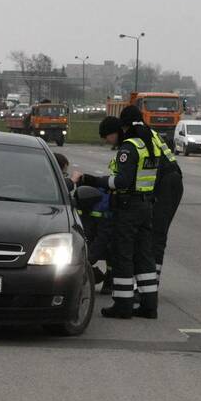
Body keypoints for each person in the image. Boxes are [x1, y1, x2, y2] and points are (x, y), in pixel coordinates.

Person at [72, 115, 158, 319]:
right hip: (145, 205)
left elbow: (121, 181)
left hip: (128, 207)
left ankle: (123, 304)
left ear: (116, 131)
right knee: (144, 256)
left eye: (107, 136)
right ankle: (149, 305)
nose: (107, 141)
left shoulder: (128, 148)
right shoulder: (147, 144)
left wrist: (93, 180)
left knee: (123, 254)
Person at [117, 106, 183, 284]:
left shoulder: (139, 136)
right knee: (152, 233)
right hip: (171, 181)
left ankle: (151, 284)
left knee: (156, 234)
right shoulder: (149, 132)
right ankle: (148, 282)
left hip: (167, 184)